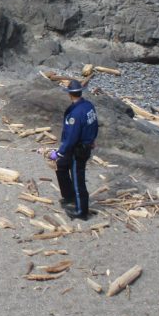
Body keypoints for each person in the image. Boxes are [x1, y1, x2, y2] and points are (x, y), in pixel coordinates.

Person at [47, 79, 99, 220]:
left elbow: (71, 137)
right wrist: (92, 139)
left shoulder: (75, 114)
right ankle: (69, 196)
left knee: (78, 179)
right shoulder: (89, 106)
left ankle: (81, 211)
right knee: (61, 166)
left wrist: (59, 153)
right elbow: (95, 125)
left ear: (70, 94)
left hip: (78, 149)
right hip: (83, 144)